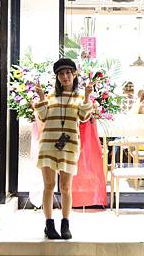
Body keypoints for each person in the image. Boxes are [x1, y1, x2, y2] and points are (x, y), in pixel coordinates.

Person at [33, 58, 93, 240]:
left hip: (70, 146)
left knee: (66, 187)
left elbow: (83, 117)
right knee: (49, 186)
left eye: (68, 73)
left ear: (74, 74)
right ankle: (49, 224)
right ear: (57, 77)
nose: (65, 76)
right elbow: (43, 117)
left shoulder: (80, 97)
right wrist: (42, 98)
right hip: (48, 145)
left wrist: (87, 96)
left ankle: (65, 223)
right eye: (61, 74)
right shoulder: (50, 97)